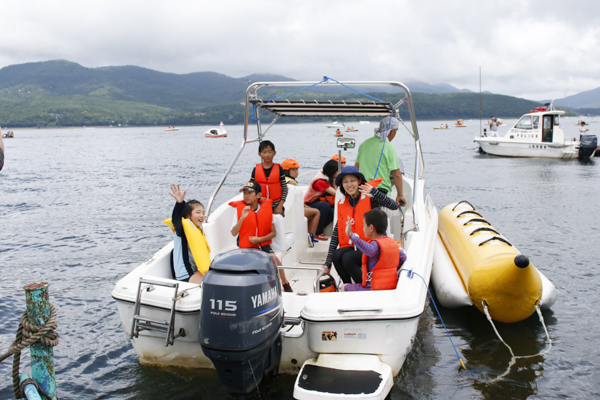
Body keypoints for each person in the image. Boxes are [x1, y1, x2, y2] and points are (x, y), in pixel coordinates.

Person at [322, 166, 400, 284]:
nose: (349, 185)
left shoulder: (370, 197)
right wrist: (327, 263)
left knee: (348, 258)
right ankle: (347, 285)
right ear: (341, 185)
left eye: (352, 180)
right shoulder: (343, 202)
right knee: (337, 255)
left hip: (375, 248)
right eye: (345, 182)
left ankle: (364, 286)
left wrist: (375, 192)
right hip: (359, 246)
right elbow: (336, 235)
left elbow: (394, 206)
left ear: (359, 181)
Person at [230, 181, 292, 292]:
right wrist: (243, 218)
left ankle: (285, 283)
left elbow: (273, 233)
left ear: (258, 195)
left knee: (274, 259)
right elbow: (234, 233)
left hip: (263, 243)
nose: (246, 196)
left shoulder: (266, 209)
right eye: (244, 193)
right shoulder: (240, 210)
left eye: (250, 193)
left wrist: (260, 239)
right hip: (247, 245)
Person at [340, 209, 407, 291]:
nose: (363, 227)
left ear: (371, 228)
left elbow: (370, 250)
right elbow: (403, 258)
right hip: (390, 287)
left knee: (344, 287)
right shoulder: (392, 244)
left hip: (372, 289)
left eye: (364, 225)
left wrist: (351, 235)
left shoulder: (375, 245)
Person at [355, 116, 406, 206]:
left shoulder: (364, 144)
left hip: (363, 190)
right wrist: (400, 195)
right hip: (379, 192)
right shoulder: (388, 147)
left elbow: (356, 168)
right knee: (378, 218)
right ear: (392, 131)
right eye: (396, 131)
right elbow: (397, 174)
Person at [168, 184, 208, 284]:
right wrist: (180, 203)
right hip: (185, 276)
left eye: (203, 213)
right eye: (198, 212)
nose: (202, 216)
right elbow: (176, 220)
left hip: (193, 272)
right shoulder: (182, 229)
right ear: (187, 215)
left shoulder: (197, 230)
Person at [282, 158, 320, 246]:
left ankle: (307, 235)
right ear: (286, 171)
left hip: (290, 208)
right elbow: (294, 200)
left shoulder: (284, 180)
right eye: (293, 170)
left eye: (297, 169)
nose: (296, 172)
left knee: (311, 210)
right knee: (316, 212)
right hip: (293, 210)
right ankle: (311, 237)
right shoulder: (290, 183)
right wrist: (305, 207)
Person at [304, 159, 339, 240]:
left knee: (332, 212)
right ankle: (317, 232)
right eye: (337, 171)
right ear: (333, 171)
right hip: (308, 204)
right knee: (325, 206)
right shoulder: (320, 181)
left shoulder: (328, 178)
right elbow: (336, 193)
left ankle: (318, 228)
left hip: (317, 202)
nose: (339, 173)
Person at [251, 140, 287, 215]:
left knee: (276, 226)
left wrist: (280, 206)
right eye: (264, 152)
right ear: (259, 154)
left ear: (274, 153)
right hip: (260, 206)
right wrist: (258, 198)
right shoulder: (255, 170)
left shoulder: (279, 169)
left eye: (270, 152)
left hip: (276, 206)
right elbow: (251, 188)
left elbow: (285, 189)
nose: (267, 155)